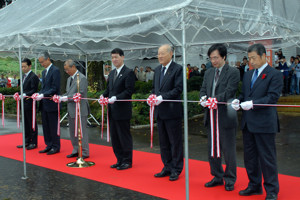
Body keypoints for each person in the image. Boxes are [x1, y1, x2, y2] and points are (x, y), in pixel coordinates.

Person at [231, 43, 282, 200]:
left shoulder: (274, 74)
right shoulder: (248, 74)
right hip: (248, 123)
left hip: (265, 123)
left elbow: (272, 97)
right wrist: (237, 101)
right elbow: (245, 94)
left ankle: (272, 190)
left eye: (253, 58)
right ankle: (254, 185)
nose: (251, 61)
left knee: (267, 158)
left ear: (263, 56)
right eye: (249, 58)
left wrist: (253, 104)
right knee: (250, 157)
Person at [199, 43, 239, 191]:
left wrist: (214, 100)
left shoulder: (233, 72)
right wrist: (203, 98)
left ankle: (230, 178)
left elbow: (230, 92)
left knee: (228, 150)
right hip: (210, 116)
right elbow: (203, 89)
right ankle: (217, 176)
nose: (213, 61)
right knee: (212, 149)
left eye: (216, 57)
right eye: (211, 58)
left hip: (225, 116)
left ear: (224, 57)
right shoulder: (208, 72)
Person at [150, 44, 183, 181]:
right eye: (158, 54)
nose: (160, 56)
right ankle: (167, 166)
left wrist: (162, 98)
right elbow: (154, 89)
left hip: (172, 112)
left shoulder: (178, 69)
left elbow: (178, 89)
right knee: (163, 142)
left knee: (175, 142)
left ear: (171, 54)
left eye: (162, 53)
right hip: (160, 112)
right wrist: (151, 97)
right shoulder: (157, 70)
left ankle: (176, 168)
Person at [102, 48, 135, 170]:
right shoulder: (111, 73)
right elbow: (109, 90)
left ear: (122, 57)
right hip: (112, 110)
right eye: (112, 57)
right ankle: (119, 159)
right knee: (115, 137)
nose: (114, 60)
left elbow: (129, 91)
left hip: (122, 111)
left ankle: (127, 160)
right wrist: (103, 95)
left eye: (116, 57)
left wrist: (116, 97)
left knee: (124, 136)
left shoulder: (128, 72)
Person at [61, 59, 90, 159]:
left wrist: (67, 98)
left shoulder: (82, 78)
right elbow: (68, 93)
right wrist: (61, 97)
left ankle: (85, 152)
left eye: (68, 69)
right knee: (72, 131)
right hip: (71, 109)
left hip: (80, 109)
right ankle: (76, 149)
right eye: (65, 70)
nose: (67, 72)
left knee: (82, 132)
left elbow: (80, 94)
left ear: (73, 67)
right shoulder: (69, 79)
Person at [36, 52, 61, 155]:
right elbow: (44, 87)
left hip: (51, 102)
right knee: (45, 125)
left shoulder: (55, 70)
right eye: (40, 62)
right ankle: (49, 144)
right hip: (44, 103)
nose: (42, 64)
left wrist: (43, 95)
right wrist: (39, 93)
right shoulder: (43, 72)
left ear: (48, 59)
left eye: (42, 62)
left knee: (53, 125)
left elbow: (54, 88)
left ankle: (55, 146)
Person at [16, 58, 40, 150]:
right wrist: (18, 94)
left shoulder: (33, 76)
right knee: (25, 123)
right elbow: (22, 89)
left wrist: (25, 94)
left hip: (30, 103)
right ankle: (26, 141)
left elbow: (34, 90)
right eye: (22, 67)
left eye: (25, 66)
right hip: (24, 103)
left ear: (30, 66)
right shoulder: (23, 76)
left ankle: (34, 142)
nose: (23, 68)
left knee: (32, 123)